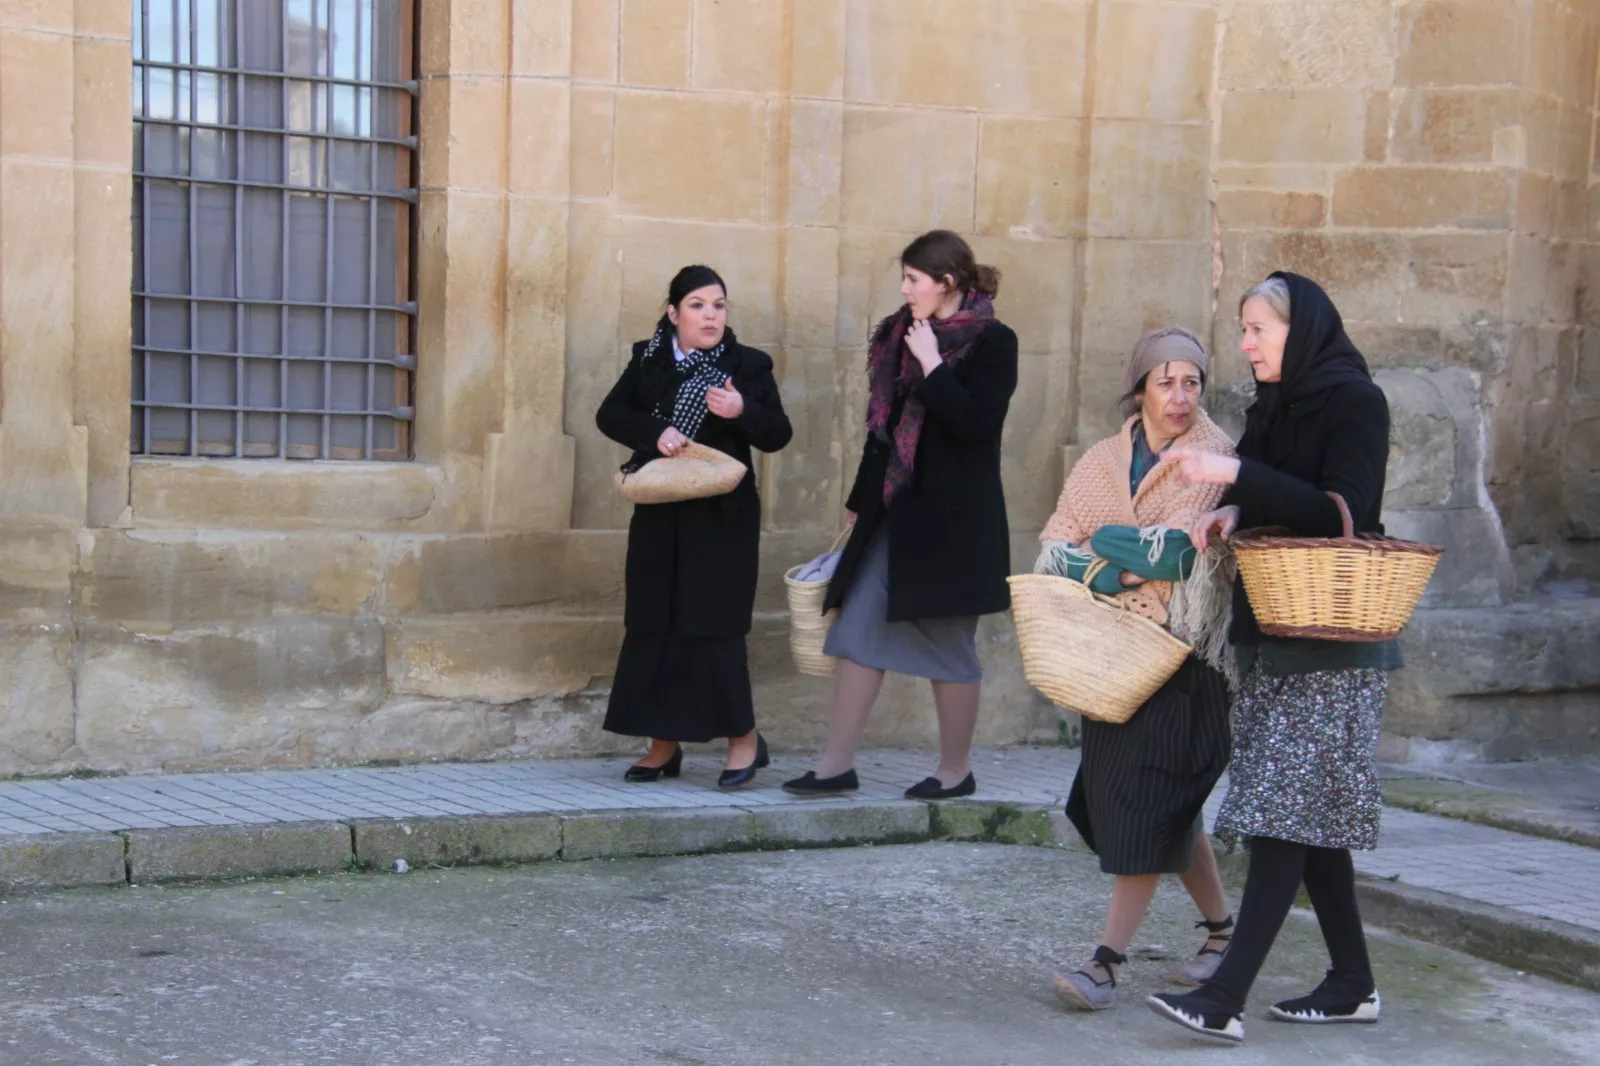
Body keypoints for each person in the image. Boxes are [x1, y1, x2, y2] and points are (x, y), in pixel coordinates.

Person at [1147, 272, 1400, 1044]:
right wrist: (1229, 509)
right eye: (1246, 329)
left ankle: (1221, 998)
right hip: (1272, 633)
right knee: (1306, 815)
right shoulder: (1273, 407)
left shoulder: (1358, 403)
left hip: (1335, 642)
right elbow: (1269, 497)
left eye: (1259, 329)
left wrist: (1232, 474)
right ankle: (1352, 983)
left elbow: (1338, 510)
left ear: (1304, 329)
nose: (1247, 344)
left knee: (1282, 818)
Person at [1037, 328, 1238, 1012]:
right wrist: (1120, 564)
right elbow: (1053, 545)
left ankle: (1105, 963)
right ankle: (1222, 934)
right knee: (1154, 807)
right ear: (1140, 387)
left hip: (1181, 658)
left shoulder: (1212, 456)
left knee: (1145, 806)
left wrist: (1100, 550)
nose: (1180, 396)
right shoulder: (1100, 460)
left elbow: (1179, 557)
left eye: (1192, 382)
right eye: (1166, 382)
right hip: (1111, 655)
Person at [783, 230, 1017, 800]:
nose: (904, 289)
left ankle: (955, 771)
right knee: (859, 625)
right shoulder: (899, 334)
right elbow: (881, 429)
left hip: (955, 524)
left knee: (949, 647)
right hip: (895, 511)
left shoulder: (994, 341)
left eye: (914, 279)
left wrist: (934, 366)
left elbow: (977, 426)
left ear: (948, 283)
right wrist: (860, 502)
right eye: (904, 278)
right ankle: (836, 766)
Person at [595, 265, 793, 789]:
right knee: (654, 620)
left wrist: (741, 409)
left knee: (714, 625)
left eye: (719, 305)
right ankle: (663, 745)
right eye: (699, 305)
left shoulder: (747, 364)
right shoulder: (649, 359)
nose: (711, 315)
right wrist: (655, 430)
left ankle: (744, 740)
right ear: (674, 312)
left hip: (722, 519)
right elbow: (610, 414)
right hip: (662, 512)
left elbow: (777, 434)